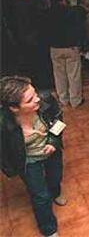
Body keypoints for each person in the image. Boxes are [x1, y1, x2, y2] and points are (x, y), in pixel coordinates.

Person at [0, 76, 66, 237]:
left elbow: (58, 120)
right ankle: (49, 229)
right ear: (15, 108)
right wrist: (10, 169)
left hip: (51, 152)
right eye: (30, 100)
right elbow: (2, 151)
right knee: (40, 196)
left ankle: (56, 192)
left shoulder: (46, 100)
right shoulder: (3, 123)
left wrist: (52, 141)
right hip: (28, 160)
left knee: (55, 177)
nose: (37, 99)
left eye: (35, 93)